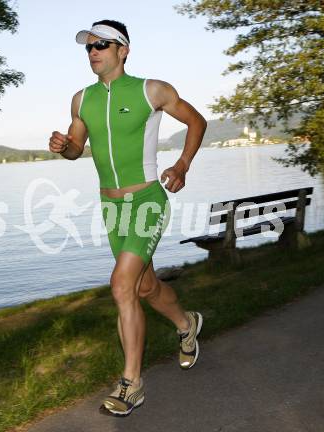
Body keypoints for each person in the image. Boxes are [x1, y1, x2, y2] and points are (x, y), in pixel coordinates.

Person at [48, 19, 207, 417]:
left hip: (147, 201)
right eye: (88, 46)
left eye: (102, 44)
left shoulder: (151, 90)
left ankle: (131, 384)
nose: (93, 51)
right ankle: (187, 324)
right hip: (111, 207)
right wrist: (64, 147)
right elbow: (76, 148)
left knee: (121, 285)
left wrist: (182, 164)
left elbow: (196, 121)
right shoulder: (80, 100)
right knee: (143, 287)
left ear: (124, 49)